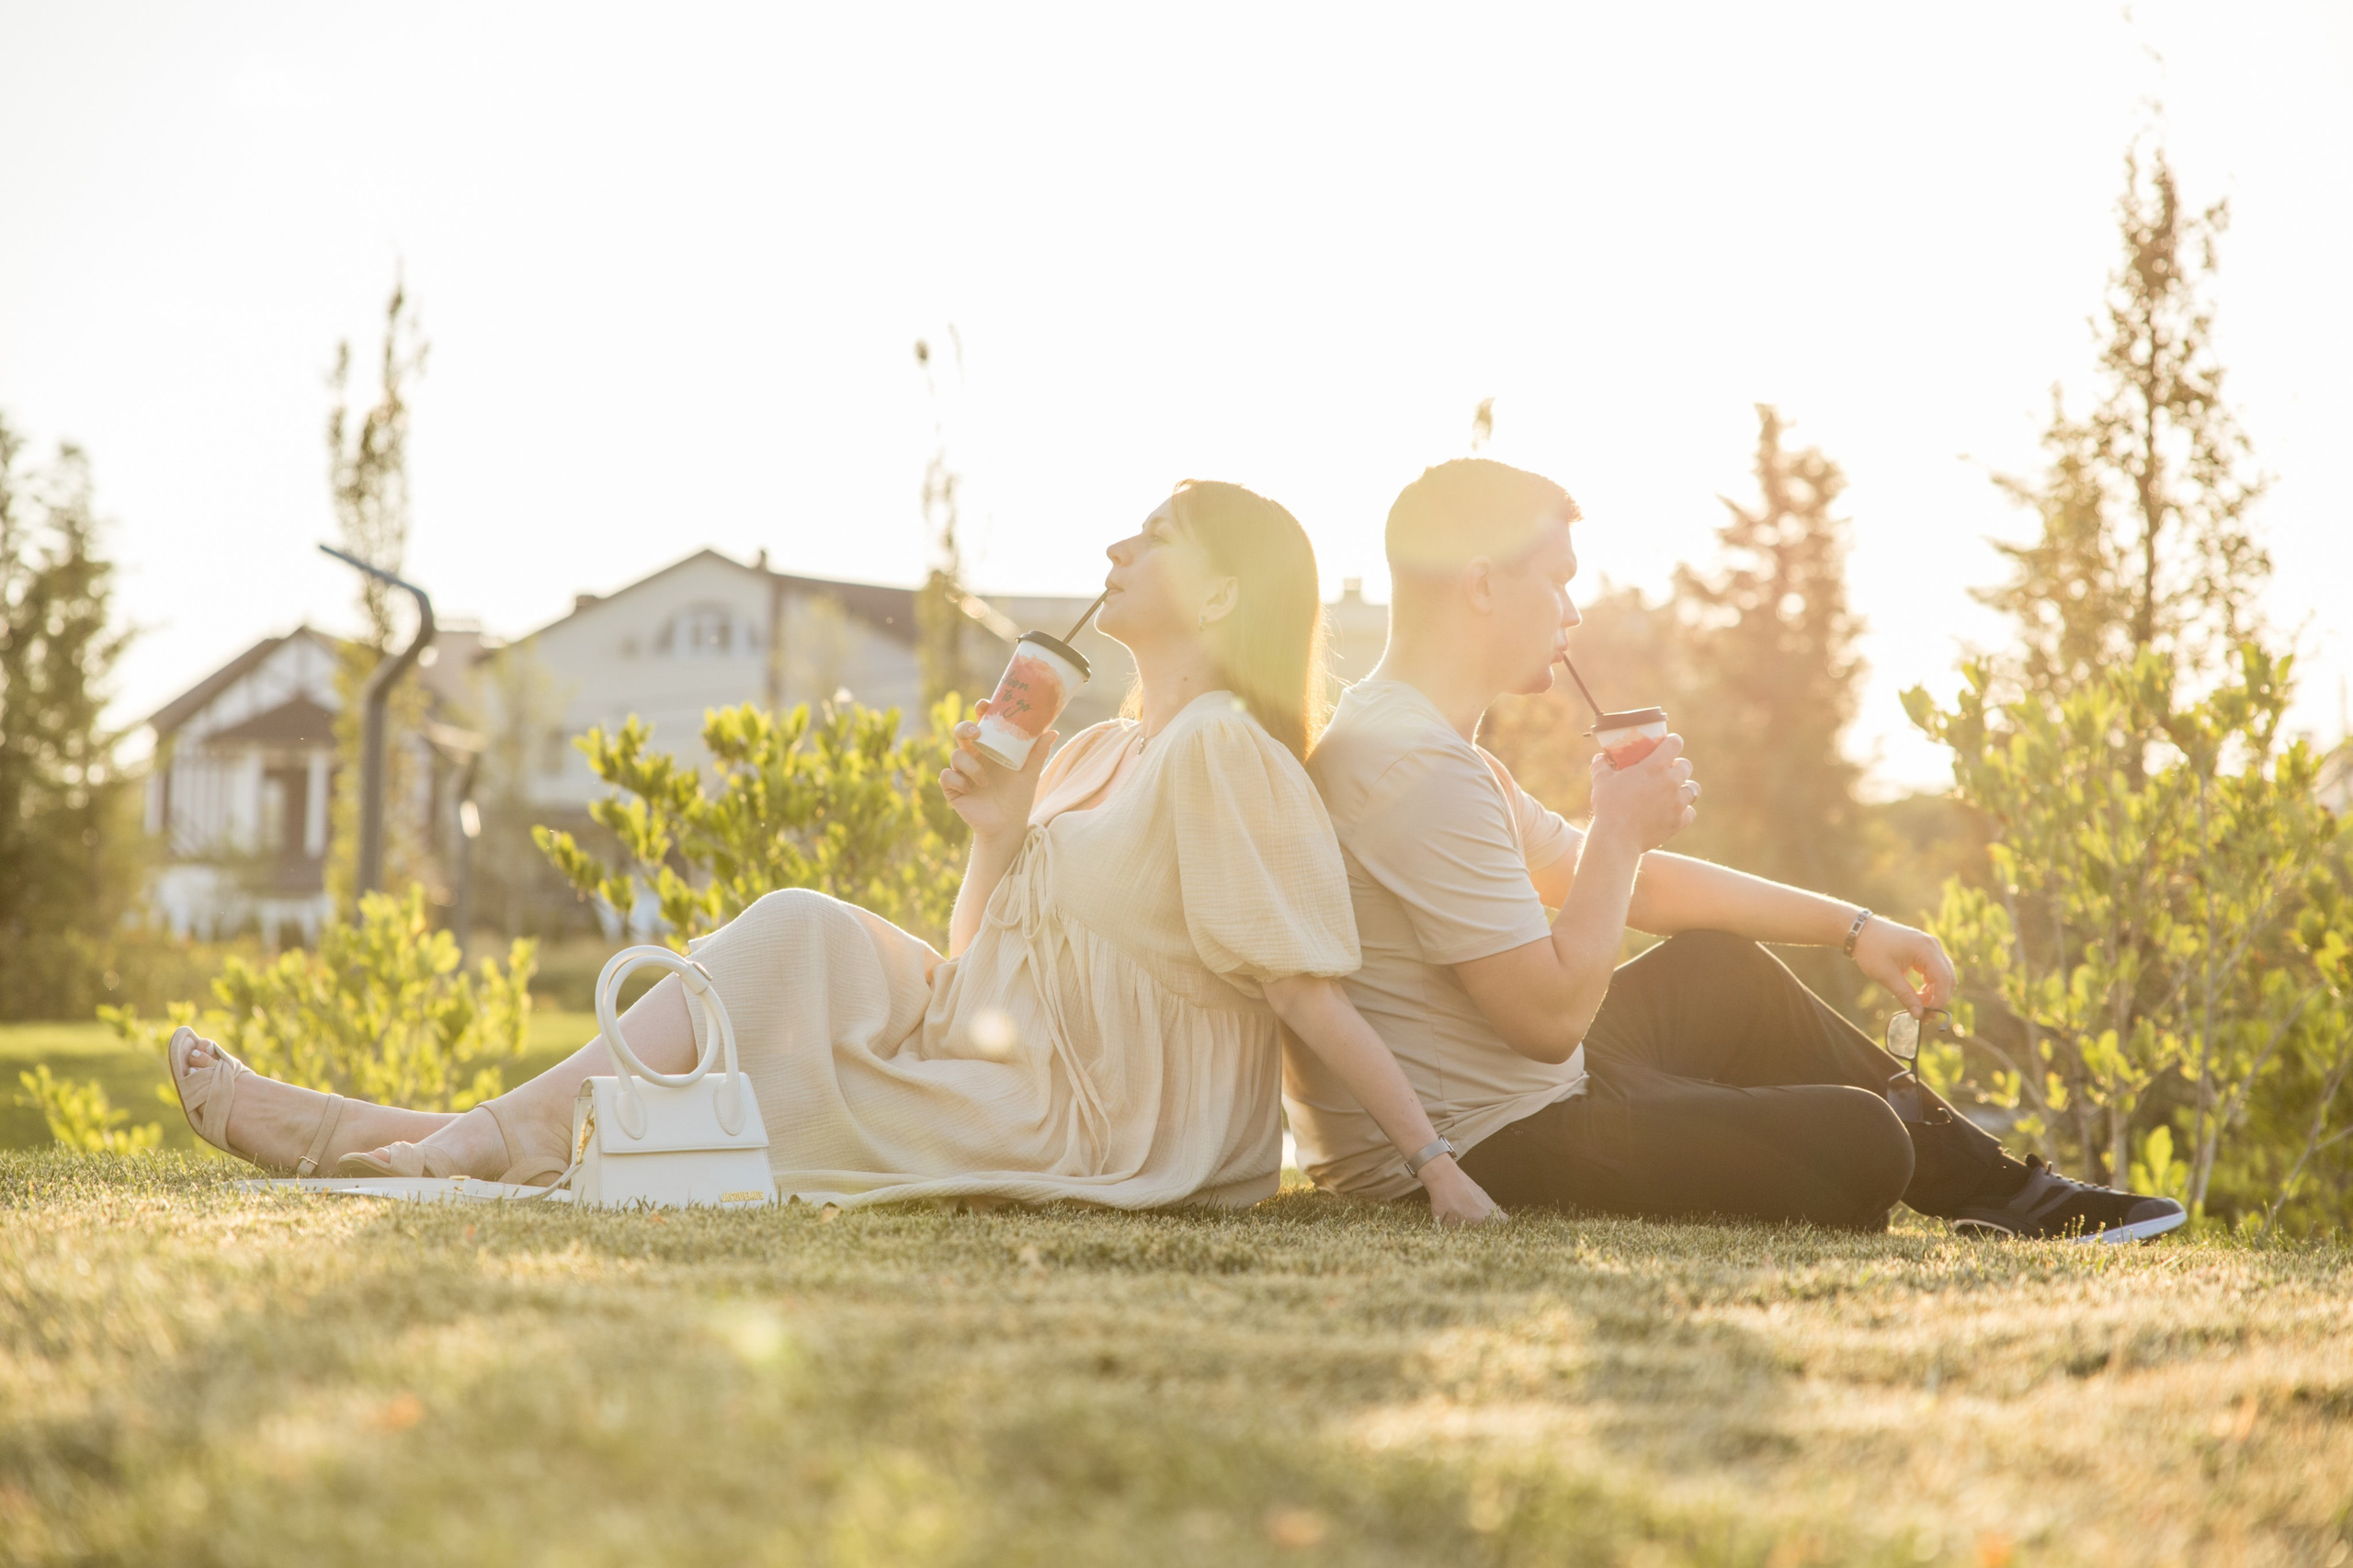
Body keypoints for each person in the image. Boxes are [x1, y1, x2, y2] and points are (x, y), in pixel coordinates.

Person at [166, 481, 1503, 1223]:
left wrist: (1439, 1168)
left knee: (776, 987)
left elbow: (1301, 992)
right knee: (799, 933)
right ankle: (415, 1144)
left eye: (1152, 532)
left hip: (1109, 1128)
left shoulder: (1222, 748)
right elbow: (981, 978)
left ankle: (390, 1142)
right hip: (1015, 1065)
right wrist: (995, 830)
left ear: (1221, 590)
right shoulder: (1093, 751)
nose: (1113, 542)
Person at [1286, 458, 2186, 1242]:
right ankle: (1979, 1184)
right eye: (1555, 579)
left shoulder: (1419, 744)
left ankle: (2006, 1193)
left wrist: (1856, 927)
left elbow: (1634, 888)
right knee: (1866, 1143)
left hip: (1520, 1090)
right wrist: (1619, 827)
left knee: (1720, 968)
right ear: (1480, 584)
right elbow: (1547, 1017)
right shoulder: (1413, 768)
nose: (1571, 610)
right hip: (1488, 1142)